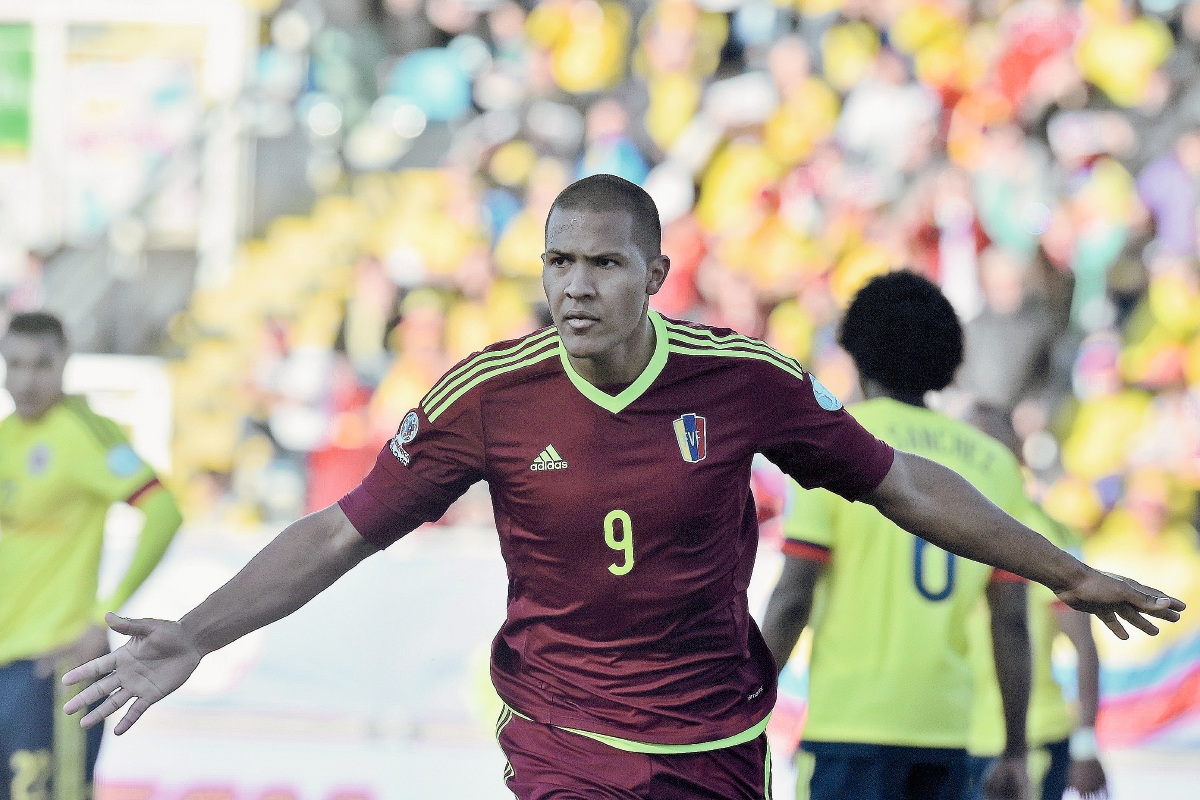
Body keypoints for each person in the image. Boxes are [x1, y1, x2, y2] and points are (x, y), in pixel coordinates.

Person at [63, 176, 1182, 800]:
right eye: (558, 261)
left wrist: (1067, 570)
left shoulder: (745, 383)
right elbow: (340, 530)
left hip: (716, 741)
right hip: (562, 734)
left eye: (602, 263)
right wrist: (197, 634)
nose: (576, 284)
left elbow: (905, 487)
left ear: (655, 272)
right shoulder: (488, 394)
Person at [761, 272, 1039, 800]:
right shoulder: (995, 464)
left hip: (851, 727)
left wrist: (740, 709)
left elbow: (793, 597)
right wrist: (1016, 750)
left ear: (856, 353)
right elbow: (1011, 624)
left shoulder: (838, 439)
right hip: (948, 733)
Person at [0, 312, 182, 800]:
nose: (26, 379)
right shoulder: (5, 437)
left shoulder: (85, 431)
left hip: (53, 665)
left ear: (65, 362)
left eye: (41, 365)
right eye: (14, 364)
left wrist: (102, 612)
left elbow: (164, 511)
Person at [967, 512, 1108, 800]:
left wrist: (1085, 745)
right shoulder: (939, 512)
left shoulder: (1045, 530)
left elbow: (1084, 645)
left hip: (1033, 735)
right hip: (956, 731)